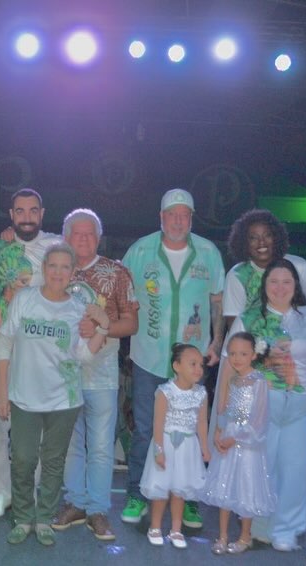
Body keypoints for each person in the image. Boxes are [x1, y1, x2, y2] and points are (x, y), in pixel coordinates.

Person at [122, 188, 225, 529]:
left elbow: (216, 302)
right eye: (172, 214)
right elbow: (123, 297)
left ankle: (190, 499)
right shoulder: (139, 251)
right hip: (149, 359)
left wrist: (217, 341)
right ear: (161, 217)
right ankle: (138, 494)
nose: (178, 221)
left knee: (193, 432)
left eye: (185, 215)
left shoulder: (208, 253)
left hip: (193, 365)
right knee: (146, 431)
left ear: (191, 219)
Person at [0, 242, 110, 546]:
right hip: (23, 396)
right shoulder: (25, 299)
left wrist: (104, 326)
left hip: (64, 399)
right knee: (22, 459)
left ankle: (44, 518)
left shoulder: (78, 309)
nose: (58, 272)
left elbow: (83, 357)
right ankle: (22, 518)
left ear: (73, 273)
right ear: (44, 269)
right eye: (52, 266)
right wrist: (1, 390)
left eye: (64, 267)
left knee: (54, 461)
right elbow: (4, 343)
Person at [52, 209, 139, 541]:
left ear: (98, 237)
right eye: (77, 233)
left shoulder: (116, 272)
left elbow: (131, 323)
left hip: (102, 373)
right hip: (64, 373)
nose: (83, 239)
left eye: (90, 233)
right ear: (66, 237)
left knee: (101, 445)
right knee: (72, 444)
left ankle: (99, 510)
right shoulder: (57, 272)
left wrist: (102, 325)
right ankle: (75, 503)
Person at [226, 257, 306, 551]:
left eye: (287, 282)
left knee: (295, 467)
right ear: (265, 286)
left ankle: (287, 528)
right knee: (259, 466)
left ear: (296, 286)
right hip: (260, 405)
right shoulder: (248, 318)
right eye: (273, 281)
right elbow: (231, 364)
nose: (280, 288)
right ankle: (258, 526)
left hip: (301, 405)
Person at [0, 188, 59, 518]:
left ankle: (27, 493)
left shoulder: (57, 246)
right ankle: (0, 494)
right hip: (0, 349)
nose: (26, 217)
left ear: (42, 213)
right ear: (11, 215)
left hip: (41, 355)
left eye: (32, 211)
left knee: (36, 433)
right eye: (19, 211)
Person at [203, 332, 275, 555]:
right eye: (232, 353)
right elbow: (224, 409)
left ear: (254, 355)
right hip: (229, 437)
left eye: (243, 353)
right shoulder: (233, 379)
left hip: (247, 443)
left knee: (246, 489)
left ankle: (245, 536)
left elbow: (259, 419)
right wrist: (219, 431)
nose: (237, 358)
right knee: (224, 487)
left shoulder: (259, 381)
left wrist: (237, 438)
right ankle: (223, 536)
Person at [140, 343, 210, 549]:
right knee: (161, 489)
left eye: (201, 365)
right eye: (193, 364)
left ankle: (176, 529)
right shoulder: (165, 391)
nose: (198, 369)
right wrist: (159, 450)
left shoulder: (201, 393)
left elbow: (201, 422)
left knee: (179, 490)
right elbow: (158, 423)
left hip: (188, 447)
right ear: (177, 366)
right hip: (167, 444)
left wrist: (205, 447)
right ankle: (155, 527)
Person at [223, 208, 306, 327]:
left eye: (267, 235)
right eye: (253, 238)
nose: (261, 242)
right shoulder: (237, 274)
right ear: (244, 242)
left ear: (276, 237)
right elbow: (233, 321)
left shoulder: (299, 266)